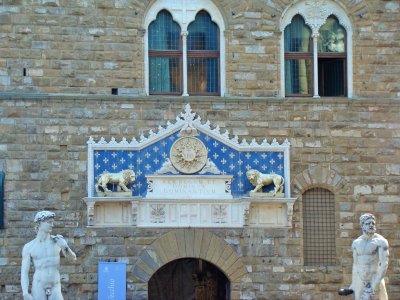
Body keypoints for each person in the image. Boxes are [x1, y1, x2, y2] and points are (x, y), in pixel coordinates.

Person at [21, 211, 76, 300]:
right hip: (38, 286)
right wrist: (25, 292)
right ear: (39, 223)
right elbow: (24, 272)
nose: (52, 225)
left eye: (52, 222)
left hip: (55, 286)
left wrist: (65, 247)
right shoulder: (29, 247)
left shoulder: (57, 241)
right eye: (49, 222)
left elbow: (73, 259)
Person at [349, 213, 389, 300]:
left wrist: (375, 284)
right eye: (368, 223)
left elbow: (384, 264)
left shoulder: (381, 242)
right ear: (362, 226)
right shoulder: (356, 243)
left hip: (375, 278)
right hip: (360, 279)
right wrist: (353, 283)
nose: (371, 225)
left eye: (373, 223)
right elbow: (355, 265)